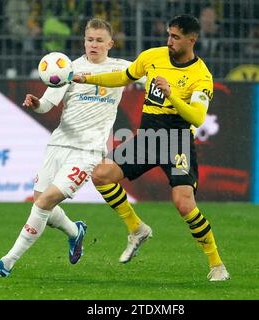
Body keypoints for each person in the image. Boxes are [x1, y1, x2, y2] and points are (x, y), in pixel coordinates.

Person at [0, 18, 140, 277]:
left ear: (111, 43)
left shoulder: (122, 69)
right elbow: (47, 104)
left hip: (88, 151)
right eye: (89, 39)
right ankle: (76, 232)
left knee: (44, 202)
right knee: (41, 200)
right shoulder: (68, 69)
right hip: (59, 143)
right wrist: (36, 103)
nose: (93, 45)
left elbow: (153, 74)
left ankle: (6, 263)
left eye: (99, 40)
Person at [73, 14, 230, 281]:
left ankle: (217, 265)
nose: (169, 41)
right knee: (100, 175)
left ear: (191, 40)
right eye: (169, 34)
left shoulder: (201, 76)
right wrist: (87, 79)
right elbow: (123, 77)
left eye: (176, 37)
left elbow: (196, 117)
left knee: (183, 204)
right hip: (147, 138)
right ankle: (136, 228)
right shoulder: (152, 56)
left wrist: (170, 95)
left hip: (177, 141)